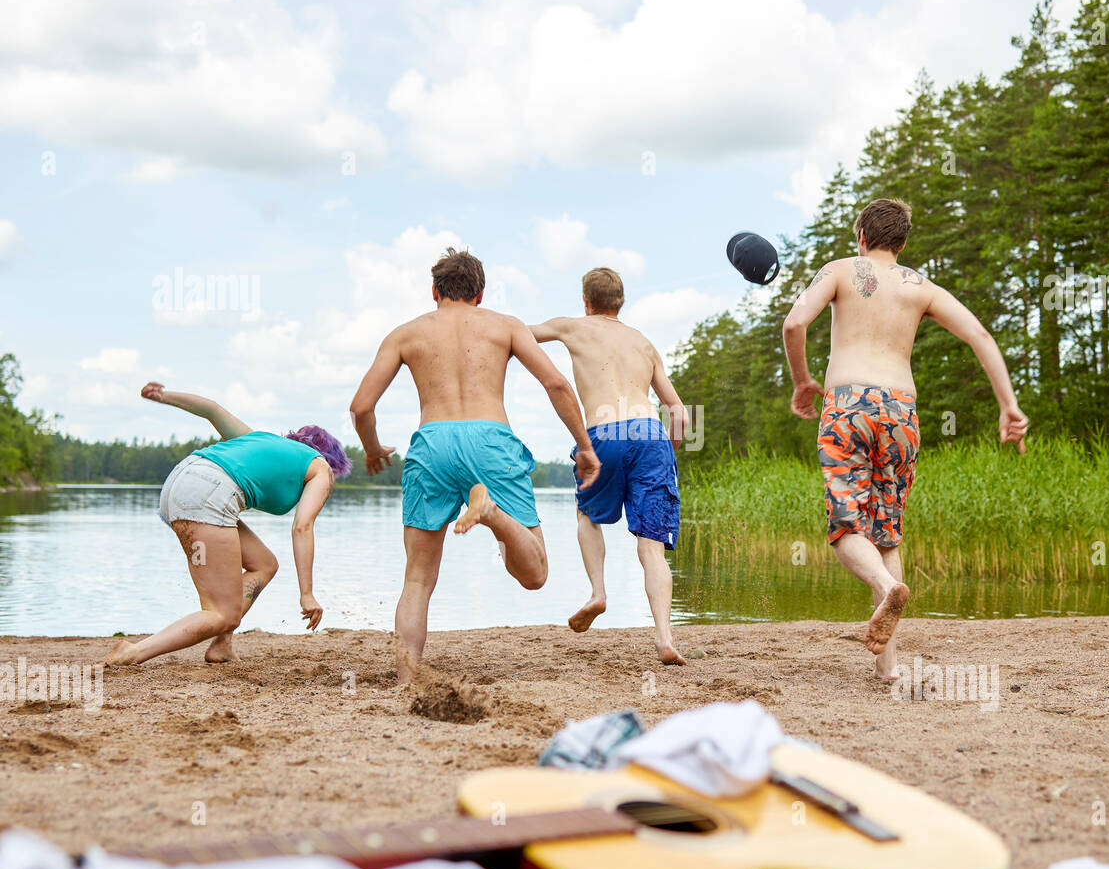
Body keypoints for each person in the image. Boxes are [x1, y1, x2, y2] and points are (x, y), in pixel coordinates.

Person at [782, 198, 1029, 681]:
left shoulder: (839, 270)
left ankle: (884, 587)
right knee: (886, 531)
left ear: (861, 236)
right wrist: (1009, 404)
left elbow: (794, 323)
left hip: (847, 406)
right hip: (901, 411)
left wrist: (802, 381)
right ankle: (888, 667)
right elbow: (979, 334)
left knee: (847, 525)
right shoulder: (922, 287)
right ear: (902, 241)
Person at [349, 247, 600, 684]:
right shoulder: (505, 327)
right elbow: (556, 382)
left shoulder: (405, 334)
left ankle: (407, 680)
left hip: (433, 445)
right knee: (535, 573)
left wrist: (372, 450)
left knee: (417, 580)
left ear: (434, 291)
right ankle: (492, 514)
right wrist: (584, 446)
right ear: (480, 294)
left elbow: (361, 406)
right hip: (492, 442)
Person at [105, 383, 351, 666]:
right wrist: (306, 594)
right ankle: (133, 652)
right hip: (207, 494)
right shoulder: (320, 466)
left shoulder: (258, 439)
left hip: (179, 482)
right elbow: (302, 527)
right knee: (220, 613)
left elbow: (212, 409)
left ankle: (222, 644)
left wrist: (164, 395)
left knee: (264, 564)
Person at [531, 267, 689, 666]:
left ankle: (598, 592)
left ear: (586, 301)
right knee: (652, 547)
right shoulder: (643, 342)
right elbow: (680, 413)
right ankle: (665, 638)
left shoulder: (574, 327)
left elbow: (521, 335)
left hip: (604, 432)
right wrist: (665, 449)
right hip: (651, 433)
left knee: (588, 515)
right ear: (621, 302)